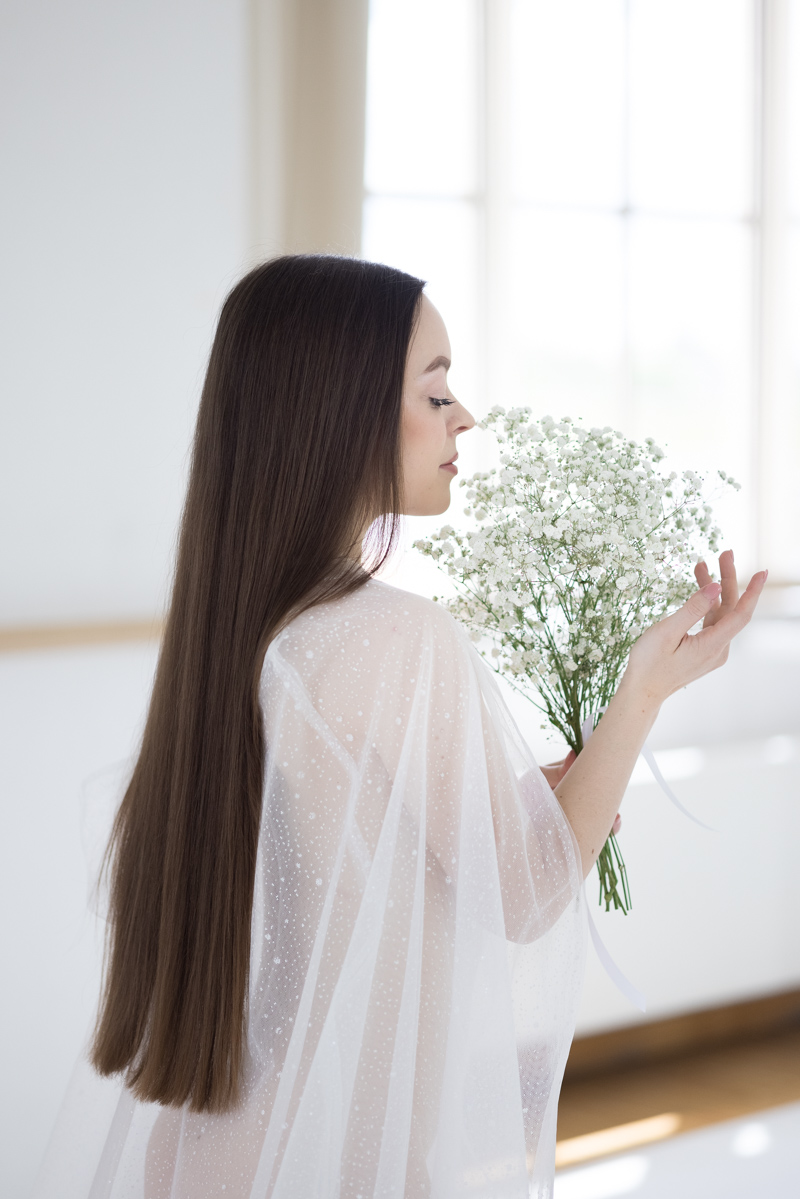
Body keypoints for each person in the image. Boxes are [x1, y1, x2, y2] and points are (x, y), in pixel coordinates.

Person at [33, 255, 765, 1199]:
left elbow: (351, 851)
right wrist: (644, 692)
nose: (465, 417)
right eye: (436, 391)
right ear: (338, 411)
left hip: (217, 1153)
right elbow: (530, 891)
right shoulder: (395, 639)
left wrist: (518, 802)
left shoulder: (257, 627)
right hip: (324, 1163)